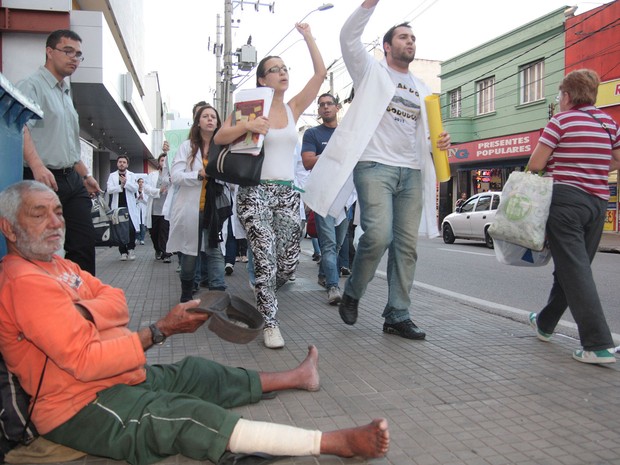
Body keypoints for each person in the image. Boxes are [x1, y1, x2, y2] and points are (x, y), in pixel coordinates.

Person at [0, 180, 390, 465]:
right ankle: (334, 443)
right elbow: (83, 361)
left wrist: (82, 312)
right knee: (186, 416)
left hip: (118, 376)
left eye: (58, 212)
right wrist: (158, 331)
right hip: (78, 407)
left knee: (197, 372)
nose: (55, 223)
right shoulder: (23, 281)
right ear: (9, 228)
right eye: (39, 214)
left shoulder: (59, 266)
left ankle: (295, 377)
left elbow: (117, 301)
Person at [303, 0, 451, 340]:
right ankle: (353, 292)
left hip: (412, 171)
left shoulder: (423, 88)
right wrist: (369, 5)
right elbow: (348, 38)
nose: (409, 42)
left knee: (406, 246)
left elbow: (426, 134)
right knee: (378, 236)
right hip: (374, 166)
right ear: (387, 46)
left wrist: (438, 143)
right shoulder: (371, 71)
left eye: (412, 38)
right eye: (402, 37)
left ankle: (398, 314)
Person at [214, 22, 326, 349]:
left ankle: (265, 288)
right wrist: (249, 124)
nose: (282, 73)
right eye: (274, 69)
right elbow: (221, 137)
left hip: (288, 195)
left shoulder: (293, 109)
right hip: (255, 192)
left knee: (287, 262)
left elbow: (319, 75)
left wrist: (309, 37)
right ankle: (270, 323)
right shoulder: (251, 108)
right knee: (263, 254)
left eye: (284, 68)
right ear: (262, 79)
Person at [527, 69, 620, 365]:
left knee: (575, 270)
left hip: (565, 201)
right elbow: (615, 160)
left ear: (567, 96)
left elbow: (536, 163)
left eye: (559, 95)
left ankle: (597, 344)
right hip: (597, 203)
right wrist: (590, 169)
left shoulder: (561, 121)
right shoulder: (608, 123)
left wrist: (562, 166)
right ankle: (545, 323)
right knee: (573, 267)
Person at [17, 29, 101, 275]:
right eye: (68, 51)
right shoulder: (31, 86)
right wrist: (37, 165)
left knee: (84, 245)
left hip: (71, 180)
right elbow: (20, 128)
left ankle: (82, 303)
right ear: (49, 51)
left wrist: (85, 176)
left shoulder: (65, 91)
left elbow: (69, 142)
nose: (74, 58)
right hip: (41, 179)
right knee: (42, 248)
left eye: (78, 54)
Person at [167, 104, 227, 302]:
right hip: (191, 208)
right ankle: (186, 294)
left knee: (215, 250)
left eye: (213, 116)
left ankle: (218, 295)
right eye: (205, 116)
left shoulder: (224, 147)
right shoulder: (187, 147)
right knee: (190, 255)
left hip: (213, 209)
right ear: (198, 122)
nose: (210, 119)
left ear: (218, 122)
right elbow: (175, 176)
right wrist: (198, 175)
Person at [301, 93, 351, 305]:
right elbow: (307, 162)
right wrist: (331, 153)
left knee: (338, 245)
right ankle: (333, 286)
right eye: (321, 105)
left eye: (329, 104)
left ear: (337, 108)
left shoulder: (348, 133)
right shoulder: (312, 134)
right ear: (319, 110)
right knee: (329, 246)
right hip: (323, 197)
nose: (325, 107)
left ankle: (323, 275)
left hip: (346, 197)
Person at [106, 155, 139, 261]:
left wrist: (126, 183)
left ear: (127, 164)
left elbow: (135, 188)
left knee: (130, 229)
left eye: (124, 162)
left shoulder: (132, 175)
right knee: (119, 229)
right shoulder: (112, 176)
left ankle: (131, 249)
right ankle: (123, 252)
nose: (122, 164)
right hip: (117, 207)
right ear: (117, 163)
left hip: (129, 207)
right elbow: (109, 189)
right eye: (120, 162)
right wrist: (120, 186)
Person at [145, 153, 173, 263]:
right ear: (159, 162)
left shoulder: (172, 176)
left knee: (164, 232)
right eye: (162, 160)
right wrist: (158, 191)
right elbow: (146, 188)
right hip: (154, 209)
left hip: (166, 210)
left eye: (166, 160)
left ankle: (166, 253)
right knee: (154, 233)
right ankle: (158, 249)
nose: (164, 162)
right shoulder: (152, 175)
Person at [135, 178, 148, 245]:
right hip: (137, 208)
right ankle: (137, 238)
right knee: (137, 224)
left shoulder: (145, 191)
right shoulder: (135, 191)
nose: (141, 183)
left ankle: (142, 239)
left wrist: (143, 198)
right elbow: (132, 201)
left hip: (143, 208)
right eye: (139, 182)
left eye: (142, 182)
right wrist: (137, 198)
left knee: (143, 225)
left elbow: (147, 202)